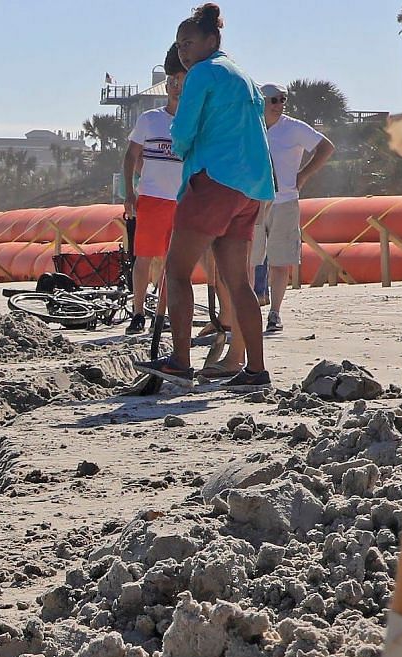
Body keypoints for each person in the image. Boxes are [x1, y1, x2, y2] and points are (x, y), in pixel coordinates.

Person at [134, 3, 274, 390]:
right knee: (237, 281)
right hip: (250, 188)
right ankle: (255, 371)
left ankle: (180, 361)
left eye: (189, 43)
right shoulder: (243, 76)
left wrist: (182, 144)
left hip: (213, 181)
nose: (183, 51)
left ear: (211, 41)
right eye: (179, 45)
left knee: (176, 271)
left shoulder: (202, 74)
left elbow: (182, 133)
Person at [252, 83, 333, 334]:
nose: (279, 105)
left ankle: (275, 312)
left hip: (284, 200)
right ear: (260, 102)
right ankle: (247, 311)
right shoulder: (250, 126)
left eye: (282, 99)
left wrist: (304, 175)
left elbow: (326, 147)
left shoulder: (293, 127)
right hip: (252, 201)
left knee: (280, 260)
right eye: (273, 100)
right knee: (248, 260)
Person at [124, 46, 189, 338]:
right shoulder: (150, 119)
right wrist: (130, 192)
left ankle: (163, 314)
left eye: (183, 81)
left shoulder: (193, 122)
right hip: (151, 200)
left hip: (182, 202)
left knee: (172, 261)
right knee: (144, 257)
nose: (177, 87)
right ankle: (138, 312)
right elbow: (131, 155)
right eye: (173, 81)